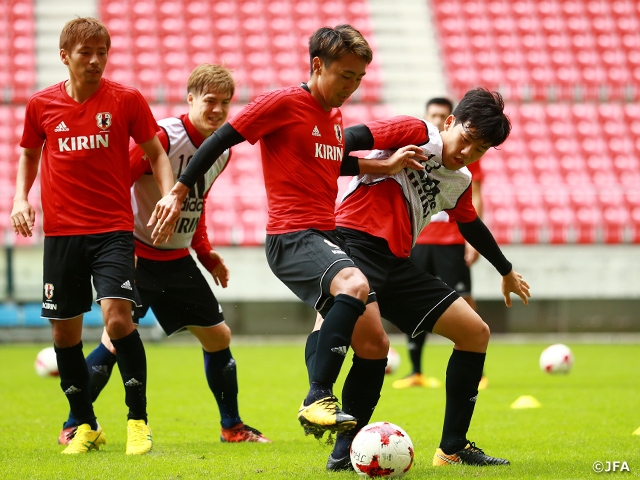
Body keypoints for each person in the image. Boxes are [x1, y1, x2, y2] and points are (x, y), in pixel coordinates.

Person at [147, 24, 429, 441]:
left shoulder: (333, 116)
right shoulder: (282, 102)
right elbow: (220, 140)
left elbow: (330, 160)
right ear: (317, 65)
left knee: (375, 344)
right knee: (353, 284)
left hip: (326, 235)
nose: (351, 86)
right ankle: (318, 397)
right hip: (293, 235)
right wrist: (179, 190)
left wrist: (383, 166)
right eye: (345, 75)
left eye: (358, 78)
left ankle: (343, 452)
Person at [308, 88, 530, 470]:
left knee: (475, 333)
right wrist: (383, 165)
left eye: (479, 149)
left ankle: (452, 448)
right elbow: (338, 148)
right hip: (352, 243)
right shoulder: (415, 131)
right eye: (466, 139)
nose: (467, 152)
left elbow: (470, 224)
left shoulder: (459, 180)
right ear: (450, 122)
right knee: (373, 345)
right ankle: (340, 447)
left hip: (396, 263)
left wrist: (506, 270)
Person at [56, 64, 270, 446]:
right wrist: (120, 245)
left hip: (176, 259)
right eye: (210, 101)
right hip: (137, 253)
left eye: (225, 103)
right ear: (190, 99)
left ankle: (232, 427)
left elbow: (195, 203)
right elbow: (115, 185)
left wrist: (205, 252)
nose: (218, 110)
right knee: (114, 340)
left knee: (218, 336)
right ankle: (75, 423)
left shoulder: (222, 151)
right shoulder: (164, 137)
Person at [10, 17, 181, 455]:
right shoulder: (40, 105)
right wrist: (20, 199)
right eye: (85, 53)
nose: (95, 60)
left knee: (118, 319)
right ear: (64, 56)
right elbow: (28, 154)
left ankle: (138, 421)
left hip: (113, 230)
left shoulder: (126, 99)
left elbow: (156, 153)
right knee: (64, 336)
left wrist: (169, 196)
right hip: (62, 234)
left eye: (101, 52)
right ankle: (86, 424)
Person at [393, 97, 487, 390]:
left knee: (464, 300)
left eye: (442, 115)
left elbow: (475, 196)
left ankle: (477, 369)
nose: (436, 119)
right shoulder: (415, 148)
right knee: (411, 303)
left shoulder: (465, 154)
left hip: (451, 241)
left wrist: (473, 240)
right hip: (418, 240)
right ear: (426, 116)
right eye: (432, 114)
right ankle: (415, 371)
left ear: (451, 121)